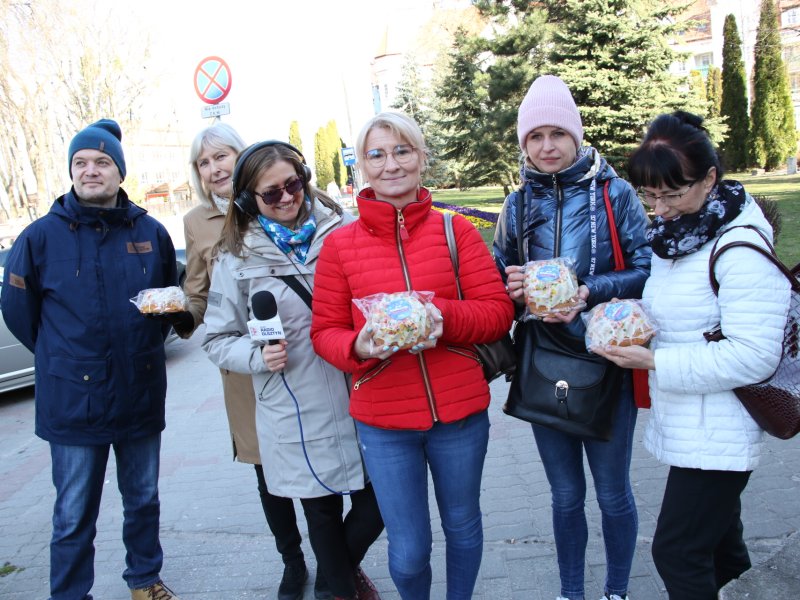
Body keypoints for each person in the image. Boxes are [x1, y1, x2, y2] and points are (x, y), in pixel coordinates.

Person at [310, 110, 515, 600]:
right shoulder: (339, 247)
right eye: (377, 155)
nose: (391, 164)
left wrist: (440, 317)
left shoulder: (455, 231)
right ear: (362, 166)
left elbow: (497, 313)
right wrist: (358, 345)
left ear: (422, 157)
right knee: (408, 550)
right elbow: (324, 333)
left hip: (459, 415)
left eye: (402, 150)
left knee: (463, 526)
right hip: (384, 423)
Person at [593, 111, 790, 600]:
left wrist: (655, 362)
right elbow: (685, 314)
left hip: (721, 428)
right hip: (696, 423)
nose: (660, 209)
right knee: (722, 549)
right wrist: (633, 320)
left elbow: (754, 356)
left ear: (709, 178)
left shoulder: (739, 248)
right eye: (650, 195)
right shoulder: (681, 238)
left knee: (677, 552)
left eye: (672, 194)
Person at [0, 119, 181, 600]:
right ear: (71, 171)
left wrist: (143, 346)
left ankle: (145, 580)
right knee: (73, 512)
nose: (90, 170)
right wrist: (64, 357)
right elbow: (19, 314)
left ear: (120, 172)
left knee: (142, 498)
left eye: (102, 162)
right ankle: (70, 594)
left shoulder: (151, 232)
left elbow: (167, 300)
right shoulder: (38, 238)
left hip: (139, 392)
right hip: (72, 402)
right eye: (80, 162)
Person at [201, 140, 384, 600]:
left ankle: (330, 580)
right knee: (321, 514)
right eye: (271, 193)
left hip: (364, 394)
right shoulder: (234, 258)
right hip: (294, 407)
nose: (286, 197)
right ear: (248, 200)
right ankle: (335, 590)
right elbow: (216, 339)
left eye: (293, 184)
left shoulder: (345, 229)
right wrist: (257, 357)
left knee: (381, 502)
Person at [492, 75, 652, 600]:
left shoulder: (615, 193)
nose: (547, 146)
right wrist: (512, 287)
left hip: (605, 357)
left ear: (576, 135)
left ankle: (617, 591)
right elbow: (496, 276)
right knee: (564, 496)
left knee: (612, 493)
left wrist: (589, 290)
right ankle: (570, 592)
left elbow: (647, 267)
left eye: (557, 133)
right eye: (535, 136)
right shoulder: (517, 205)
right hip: (543, 362)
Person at [169, 123, 314, 600]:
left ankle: (337, 557)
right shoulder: (197, 222)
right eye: (203, 162)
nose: (214, 168)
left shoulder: (284, 198)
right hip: (246, 364)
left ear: (242, 156)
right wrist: (179, 315)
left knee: (317, 454)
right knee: (266, 468)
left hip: (304, 354)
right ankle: (292, 561)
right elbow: (198, 293)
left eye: (221, 156)